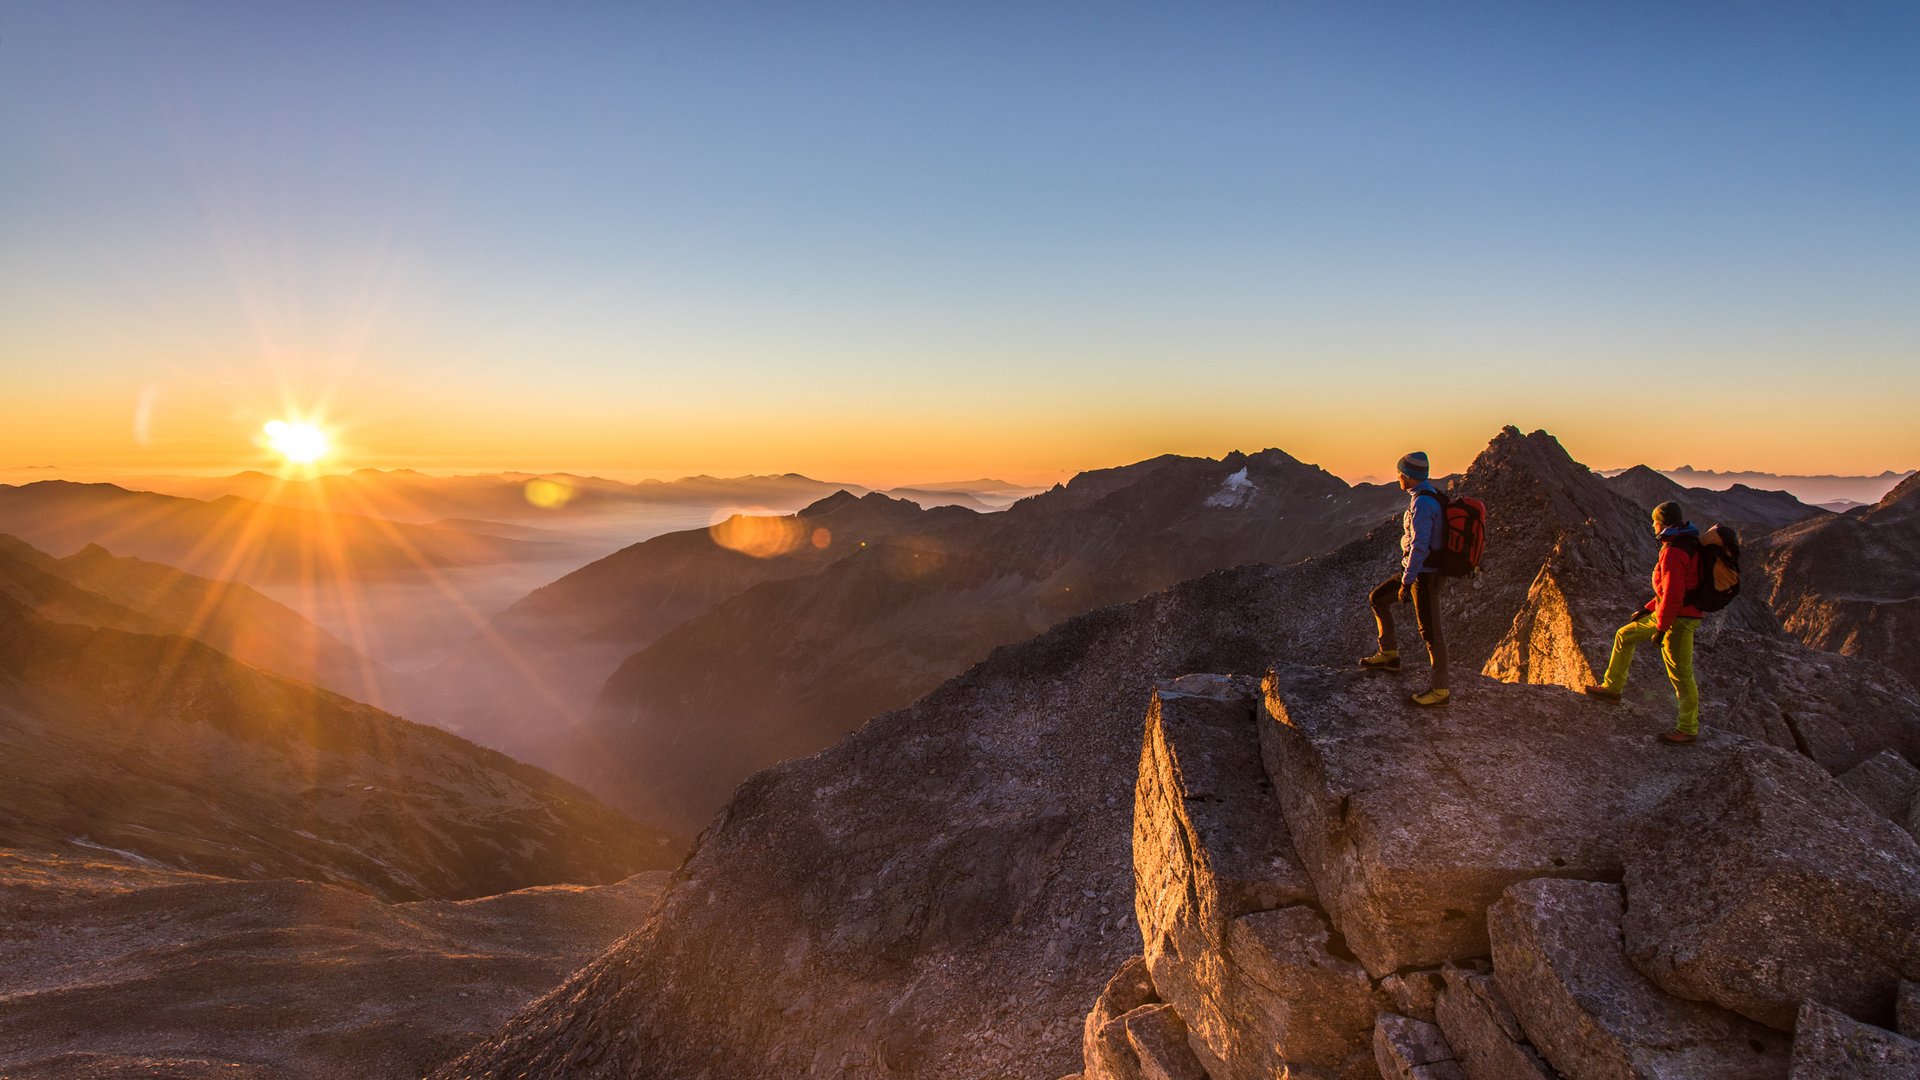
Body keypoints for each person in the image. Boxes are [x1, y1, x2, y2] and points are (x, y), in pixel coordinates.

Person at [1582, 500, 1703, 744]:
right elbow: (1668, 590)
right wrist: (1647, 609)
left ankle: (1688, 729)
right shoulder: (1684, 543)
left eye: (1654, 521)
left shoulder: (1673, 551)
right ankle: (1612, 689)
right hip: (1670, 614)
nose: (1653, 526)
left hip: (1679, 619)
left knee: (1681, 674)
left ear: (1662, 522)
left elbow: (1674, 594)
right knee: (1624, 635)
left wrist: (1662, 626)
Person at [1361, 451, 1449, 707]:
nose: (1397, 476)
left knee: (1432, 633)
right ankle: (1389, 654)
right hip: (1415, 572)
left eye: (1400, 472)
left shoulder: (1423, 504)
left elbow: (1421, 546)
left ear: (1409, 476)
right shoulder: (1425, 497)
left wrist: (1407, 580)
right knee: (1378, 598)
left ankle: (1440, 690)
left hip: (1424, 576)